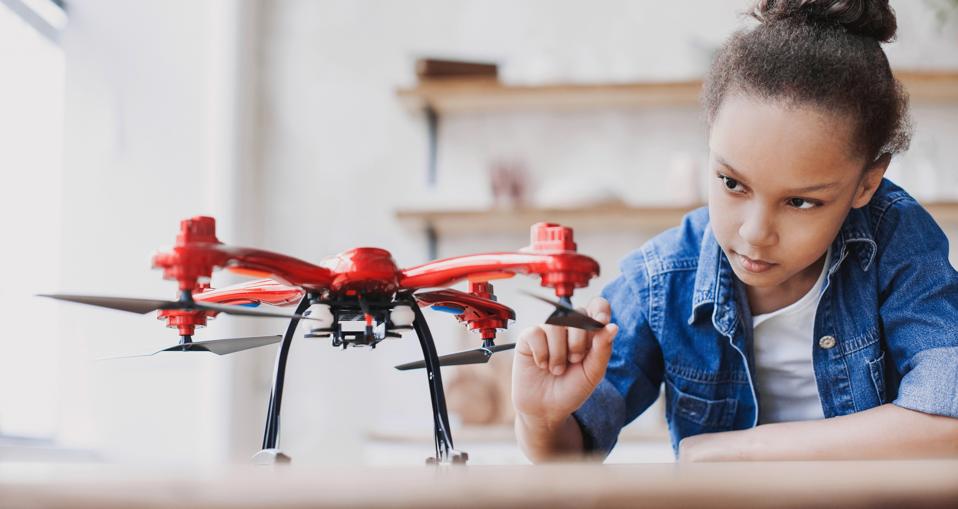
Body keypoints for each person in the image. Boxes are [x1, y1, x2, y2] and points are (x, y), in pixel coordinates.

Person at [512, 0, 958, 462]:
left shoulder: (896, 239)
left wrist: (745, 451)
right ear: (710, 137)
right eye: (732, 183)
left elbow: (949, 422)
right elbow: (567, 461)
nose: (756, 232)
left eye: (801, 201)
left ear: (867, 182)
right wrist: (540, 419)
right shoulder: (664, 278)